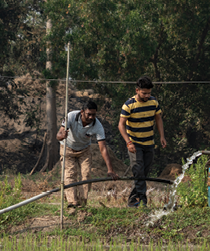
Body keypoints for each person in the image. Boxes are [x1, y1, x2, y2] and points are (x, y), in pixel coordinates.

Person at [56, 101, 119, 208]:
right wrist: (62, 136)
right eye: (88, 114)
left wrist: (110, 169)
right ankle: (72, 203)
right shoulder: (71, 116)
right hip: (67, 148)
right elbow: (58, 135)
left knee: (86, 175)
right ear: (82, 112)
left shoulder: (98, 126)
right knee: (69, 174)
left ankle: (82, 203)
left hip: (84, 150)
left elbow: (103, 148)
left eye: (93, 115)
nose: (91, 117)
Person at [118, 76, 167, 207]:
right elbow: (121, 125)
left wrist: (162, 136)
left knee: (143, 172)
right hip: (135, 144)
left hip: (149, 143)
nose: (147, 95)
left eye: (149, 93)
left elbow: (158, 119)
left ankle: (132, 201)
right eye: (144, 93)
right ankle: (142, 200)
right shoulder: (129, 105)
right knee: (138, 170)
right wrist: (128, 142)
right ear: (137, 90)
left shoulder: (153, 102)